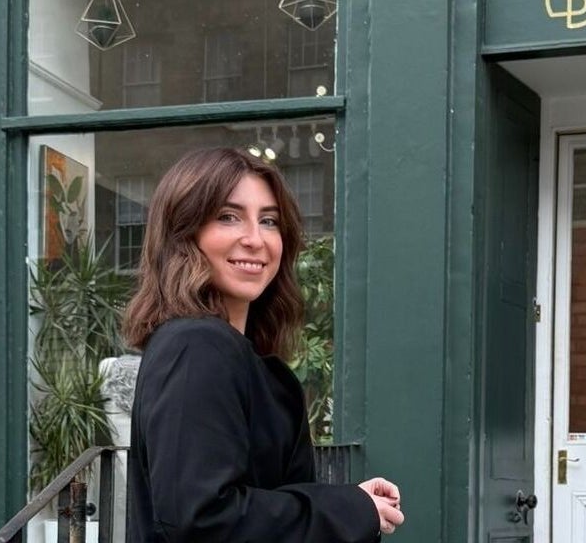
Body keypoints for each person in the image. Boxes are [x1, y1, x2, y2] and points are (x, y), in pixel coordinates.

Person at [123, 146, 404, 543]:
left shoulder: (233, 353)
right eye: (228, 216)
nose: (255, 239)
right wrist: (347, 511)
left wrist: (350, 503)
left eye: (269, 221)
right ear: (183, 232)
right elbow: (202, 520)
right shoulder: (196, 346)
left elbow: (256, 500)